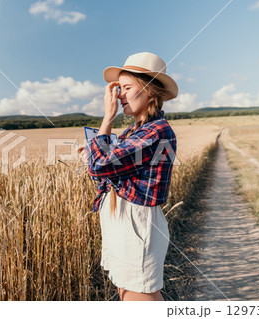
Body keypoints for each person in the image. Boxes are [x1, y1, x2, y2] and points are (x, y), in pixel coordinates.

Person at [77, 52, 178, 301]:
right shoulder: (135, 131)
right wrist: (91, 155)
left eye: (126, 87)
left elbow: (100, 166)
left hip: (137, 224)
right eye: (118, 88)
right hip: (124, 221)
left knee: (139, 295)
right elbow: (105, 176)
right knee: (129, 292)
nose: (119, 95)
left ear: (150, 91)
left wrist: (107, 118)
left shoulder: (156, 131)